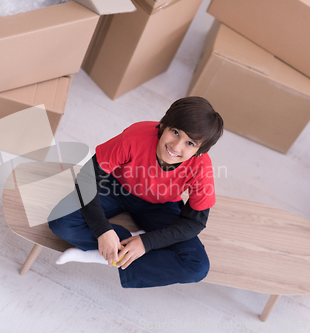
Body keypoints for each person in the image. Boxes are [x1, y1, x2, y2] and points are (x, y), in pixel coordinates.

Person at [48, 96, 224, 288]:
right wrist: (103, 230)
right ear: (164, 125)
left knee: (197, 266)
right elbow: (87, 178)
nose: (176, 146)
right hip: (116, 187)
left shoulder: (202, 167)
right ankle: (117, 246)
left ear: (199, 151)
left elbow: (195, 222)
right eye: (175, 132)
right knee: (61, 221)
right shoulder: (136, 136)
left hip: (161, 205)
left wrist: (147, 242)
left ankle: (108, 254)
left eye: (190, 143)